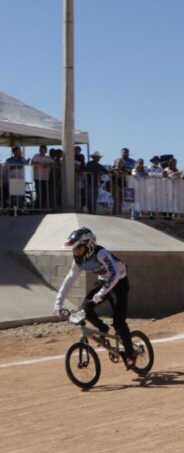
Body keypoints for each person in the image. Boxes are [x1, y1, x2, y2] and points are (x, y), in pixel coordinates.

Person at [53, 227, 135, 368]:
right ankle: (102, 327)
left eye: (79, 249)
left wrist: (99, 295)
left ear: (89, 245)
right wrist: (58, 304)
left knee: (119, 323)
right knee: (84, 309)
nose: (76, 253)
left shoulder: (101, 253)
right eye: (74, 250)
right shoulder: (78, 262)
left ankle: (130, 353)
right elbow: (69, 281)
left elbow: (114, 275)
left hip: (119, 282)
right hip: (103, 281)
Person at [31, 144, 54, 209]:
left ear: (46, 151)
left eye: (43, 150)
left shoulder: (48, 157)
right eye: (41, 150)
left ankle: (43, 206)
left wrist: (48, 165)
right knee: (38, 192)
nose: (42, 151)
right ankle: (37, 207)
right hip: (38, 178)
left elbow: (54, 163)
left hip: (45, 178)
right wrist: (40, 164)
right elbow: (32, 162)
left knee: (45, 193)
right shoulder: (36, 156)